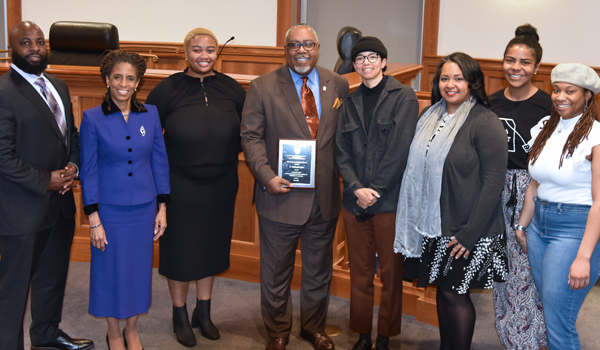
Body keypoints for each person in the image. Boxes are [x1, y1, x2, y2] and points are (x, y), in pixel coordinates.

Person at [240, 23, 349, 350]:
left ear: (318, 48)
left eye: (308, 45)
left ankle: (313, 328)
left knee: (319, 272)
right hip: (279, 195)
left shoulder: (338, 84)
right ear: (285, 50)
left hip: (324, 197)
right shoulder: (262, 87)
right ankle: (278, 331)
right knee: (275, 274)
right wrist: (265, 175)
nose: (302, 51)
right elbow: (251, 137)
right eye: (294, 45)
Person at [394, 52, 508, 350]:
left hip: (469, 230)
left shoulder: (485, 121)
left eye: (458, 78)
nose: (451, 84)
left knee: (455, 294)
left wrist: (469, 234)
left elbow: (494, 182)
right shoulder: (429, 115)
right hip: (436, 225)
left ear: (472, 82)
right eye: (445, 78)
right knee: (444, 292)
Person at [146, 27, 246, 347]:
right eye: (197, 49)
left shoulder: (233, 89)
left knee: (211, 247)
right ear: (185, 52)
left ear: (218, 53)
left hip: (223, 180)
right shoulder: (166, 90)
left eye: (210, 50)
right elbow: (147, 138)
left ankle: (203, 312)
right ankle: (179, 314)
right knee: (180, 250)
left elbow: (250, 133)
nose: (204, 55)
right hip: (180, 182)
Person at [0, 21, 94, 350]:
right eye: (26, 43)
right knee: (14, 288)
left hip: (60, 204)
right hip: (22, 209)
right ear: (12, 48)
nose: (36, 48)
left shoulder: (58, 85)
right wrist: (47, 181)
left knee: (52, 275)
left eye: (40, 42)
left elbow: (72, 136)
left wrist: (72, 166)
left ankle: (46, 333)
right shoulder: (4, 93)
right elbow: (2, 156)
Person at [79, 50, 170, 350]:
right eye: (117, 77)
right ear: (107, 79)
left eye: (130, 78)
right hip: (109, 212)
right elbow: (89, 171)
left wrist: (162, 207)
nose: (123, 83)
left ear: (138, 82)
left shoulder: (151, 114)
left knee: (137, 272)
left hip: (144, 210)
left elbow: (159, 161)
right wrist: (94, 219)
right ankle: (114, 332)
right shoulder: (92, 118)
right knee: (109, 272)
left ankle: (131, 330)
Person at [335, 36, 418, 350]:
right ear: (354, 65)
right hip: (354, 201)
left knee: (390, 272)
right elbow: (341, 151)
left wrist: (376, 190)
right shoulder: (350, 101)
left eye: (372, 57)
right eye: (360, 59)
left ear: (383, 62)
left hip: (390, 202)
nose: (366, 63)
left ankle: (384, 336)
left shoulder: (404, 97)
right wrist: (357, 188)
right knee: (360, 272)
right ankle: (363, 334)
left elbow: (399, 151)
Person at [514, 63, 600, 349]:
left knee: (558, 319)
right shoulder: (544, 127)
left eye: (570, 91)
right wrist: (522, 226)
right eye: (556, 89)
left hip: (576, 229)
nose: (560, 96)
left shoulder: (596, 136)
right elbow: (535, 184)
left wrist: (584, 257)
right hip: (539, 226)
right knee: (552, 311)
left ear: (587, 95)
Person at [489, 24, 550, 350]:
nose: (516, 67)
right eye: (510, 60)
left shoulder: (549, 105)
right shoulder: (491, 102)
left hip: (534, 193)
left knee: (527, 270)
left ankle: (531, 340)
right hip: (495, 190)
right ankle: (512, 334)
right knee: (503, 269)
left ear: (537, 68)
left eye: (525, 62)